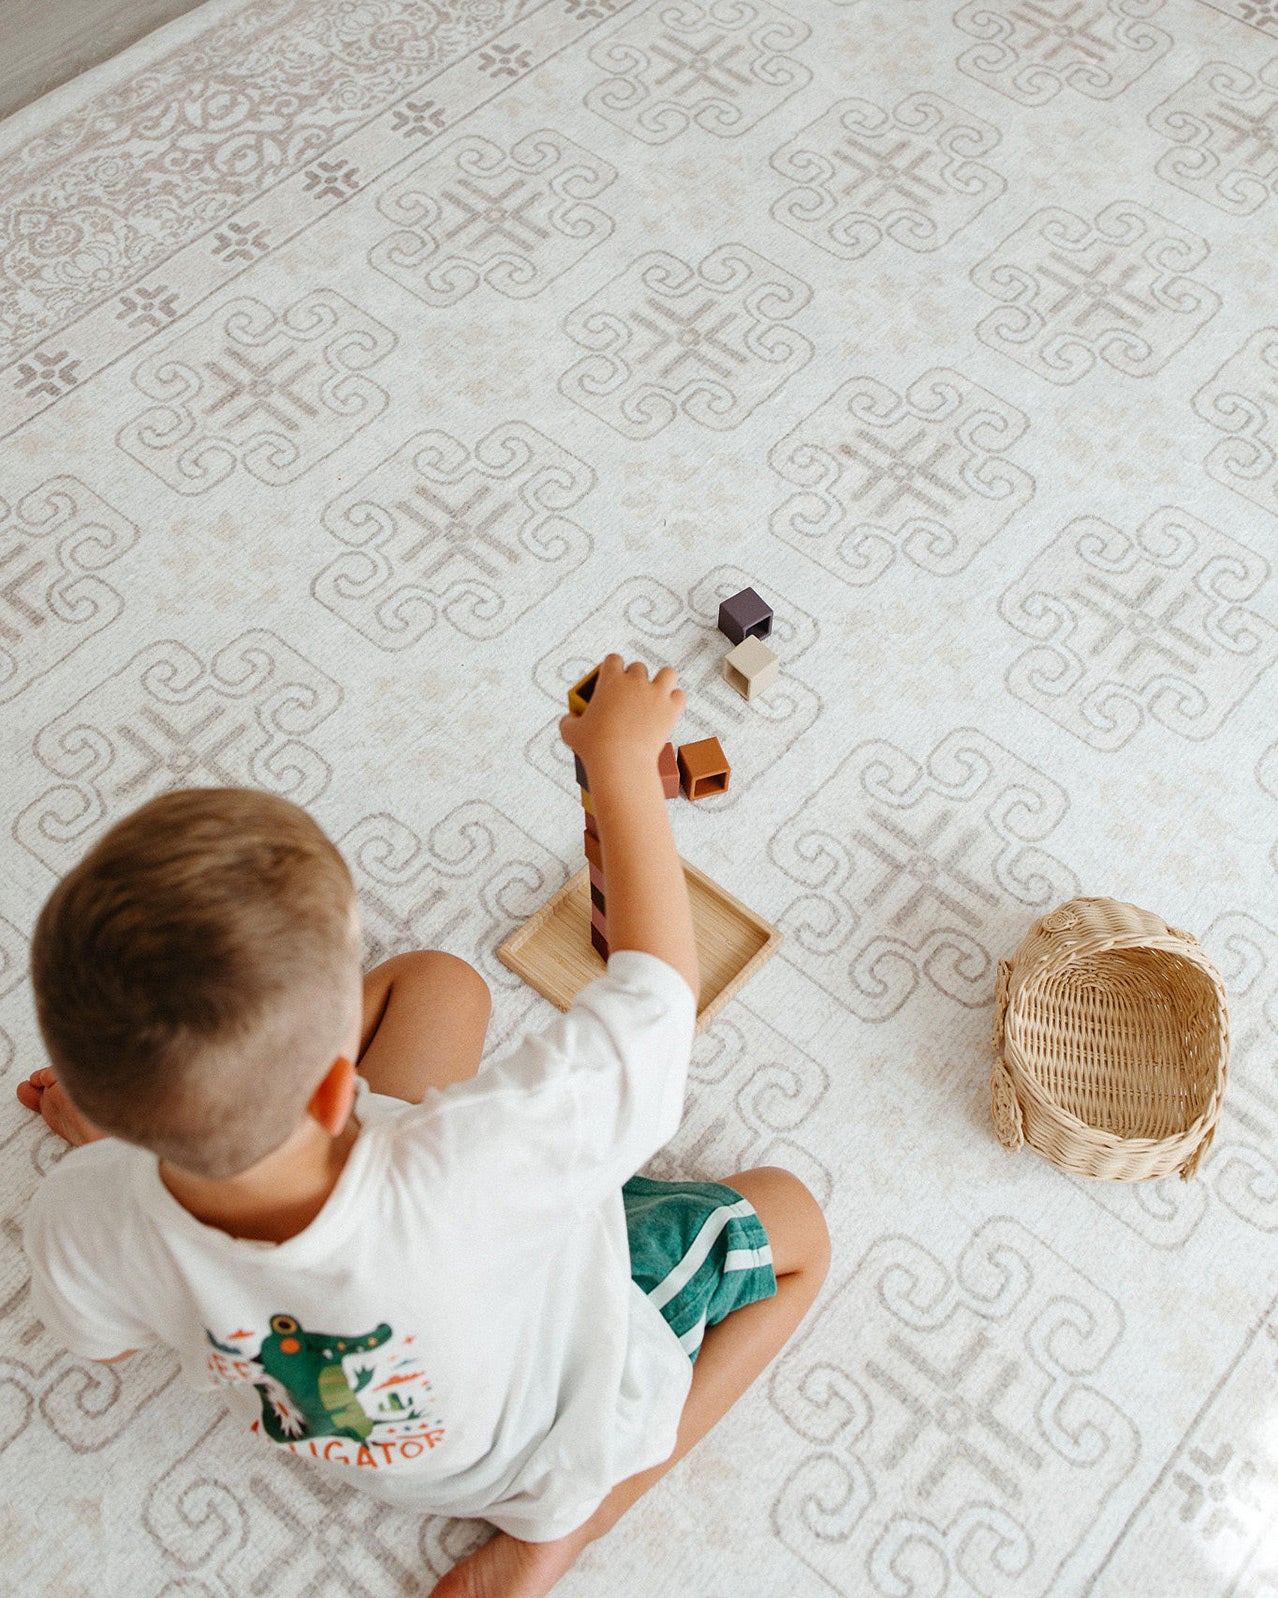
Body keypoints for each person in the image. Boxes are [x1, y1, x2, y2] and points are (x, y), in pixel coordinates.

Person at [16, 653, 830, 1598]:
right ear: (332, 1091)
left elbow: (107, 1336)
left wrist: (121, 1157)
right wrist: (620, 766)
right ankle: (571, 1527)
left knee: (439, 982)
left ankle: (211, 1120)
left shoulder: (80, 1217)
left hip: (366, 1432)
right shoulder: (486, 1162)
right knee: (798, 1226)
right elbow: (656, 999)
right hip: (539, 1439)